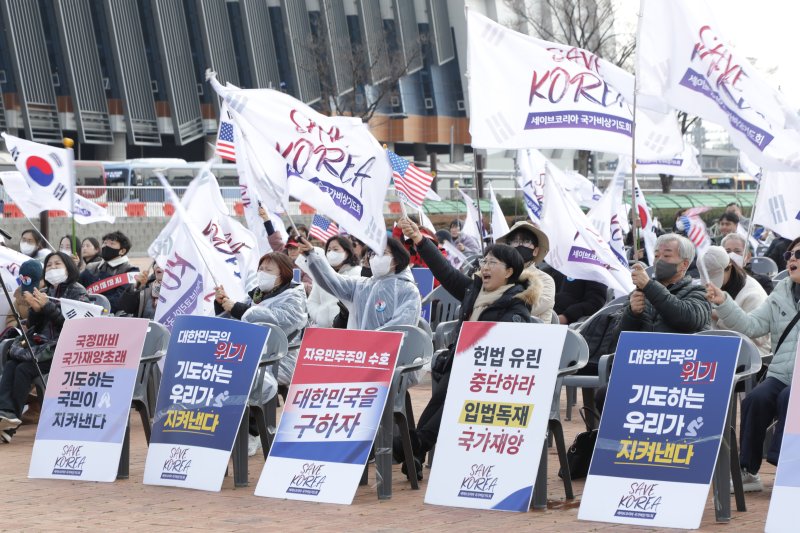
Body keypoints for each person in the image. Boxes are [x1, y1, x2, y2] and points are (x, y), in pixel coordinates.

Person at [396, 217, 538, 479]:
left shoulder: (516, 303)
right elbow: (445, 273)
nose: (484, 267)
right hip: (463, 366)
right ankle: (414, 450)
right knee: (443, 393)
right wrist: (419, 240)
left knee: (455, 391)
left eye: (492, 263)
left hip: (494, 379)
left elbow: (510, 340)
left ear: (508, 272)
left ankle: (416, 444)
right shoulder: (475, 290)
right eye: (484, 261)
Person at [706, 236, 800, 492]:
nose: (792, 259)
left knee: (789, 398)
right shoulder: (780, 293)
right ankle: (747, 472)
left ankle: (789, 470)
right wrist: (724, 302)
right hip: (782, 371)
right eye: (789, 256)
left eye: (799, 255)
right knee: (756, 398)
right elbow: (752, 326)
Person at [214, 252, 308, 457]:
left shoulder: (294, 296)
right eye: (261, 269)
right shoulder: (257, 293)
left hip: (283, 358)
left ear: (283, 274)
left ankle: (252, 432)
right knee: (220, 372)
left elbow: (278, 321)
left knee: (244, 376)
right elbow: (237, 317)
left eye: (269, 270)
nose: (262, 273)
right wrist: (222, 303)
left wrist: (238, 309)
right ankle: (229, 430)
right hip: (252, 354)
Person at [0, 252, 89, 442]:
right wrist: (36, 310)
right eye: (48, 265)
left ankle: (9, 420)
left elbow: (75, 327)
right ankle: (6, 415)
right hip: (42, 347)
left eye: (57, 264)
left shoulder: (77, 291)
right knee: (11, 363)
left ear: (69, 268)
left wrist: (48, 307)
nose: (52, 268)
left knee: (24, 369)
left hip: (64, 349)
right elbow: (36, 326)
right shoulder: (45, 291)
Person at [298, 236, 421, 331]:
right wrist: (312, 255)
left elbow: (401, 327)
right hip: (359, 354)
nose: (375, 258)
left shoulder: (408, 289)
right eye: (372, 254)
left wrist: (371, 341)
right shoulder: (361, 285)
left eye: (383, 253)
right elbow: (331, 281)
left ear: (397, 258)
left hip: (390, 358)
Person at [618, 234, 711, 335]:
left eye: (667, 256)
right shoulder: (639, 293)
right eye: (656, 256)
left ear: (684, 264)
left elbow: (687, 319)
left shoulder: (700, 292)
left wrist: (649, 286)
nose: (659, 260)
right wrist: (632, 314)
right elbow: (616, 338)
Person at [701, 246, 770, 355]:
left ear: (729, 267)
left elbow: (760, 337)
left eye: (715, 275)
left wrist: (719, 315)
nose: (710, 282)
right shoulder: (705, 287)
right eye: (706, 275)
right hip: (716, 345)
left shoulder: (753, 294)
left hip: (751, 352)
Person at [496, 221, 556, 322]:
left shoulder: (545, 280)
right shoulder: (498, 275)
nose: (519, 245)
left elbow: (532, 308)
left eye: (526, 241)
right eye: (514, 242)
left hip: (535, 335)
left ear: (536, 251)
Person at [302, 235, 361, 328]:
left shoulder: (357, 272)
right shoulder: (322, 276)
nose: (331, 252)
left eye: (335, 249)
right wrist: (319, 316)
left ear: (347, 252)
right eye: (328, 250)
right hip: (323, 329)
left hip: (347, 328)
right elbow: (312, 301)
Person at [78, 231, 139, 314]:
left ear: (122, 251)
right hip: (87, 314)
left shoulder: (131, 271)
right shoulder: (91, 267)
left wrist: (93, 306)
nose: (106, 246)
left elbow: (120, 300)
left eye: (112, 244)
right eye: (104, 243)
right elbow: (77, 288)